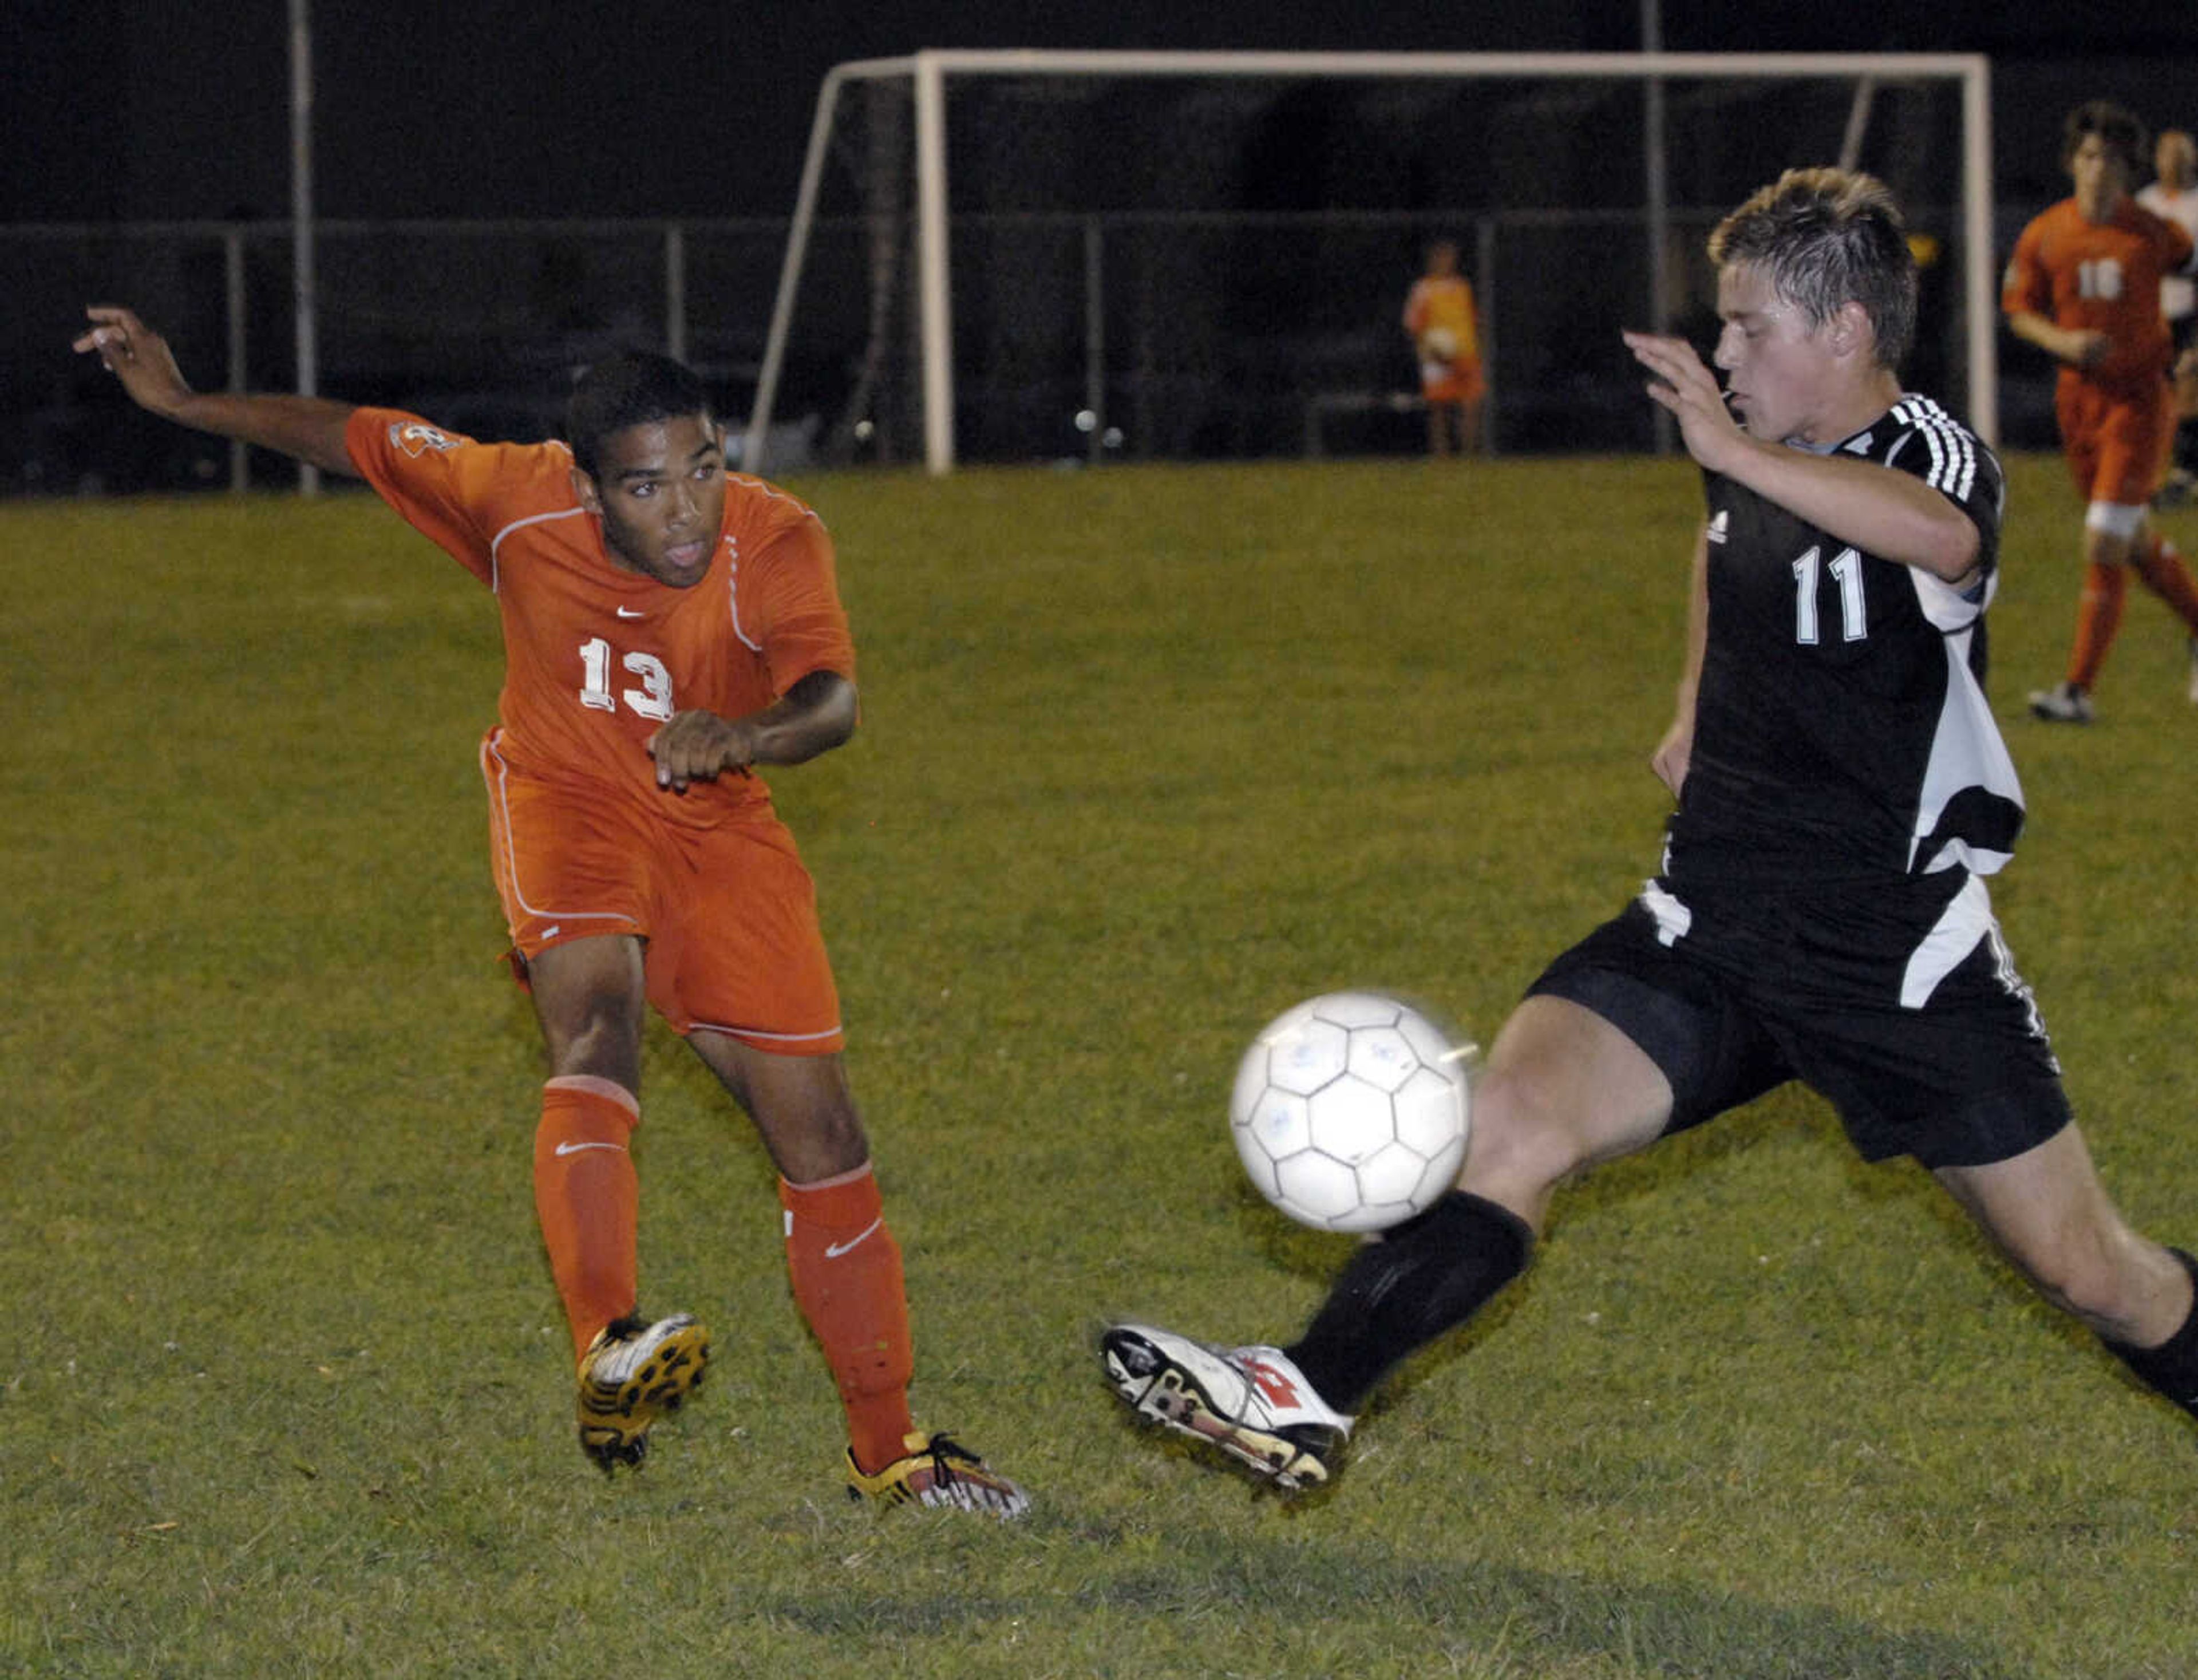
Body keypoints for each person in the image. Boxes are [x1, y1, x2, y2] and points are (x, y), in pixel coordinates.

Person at [1101, 168, 2198, 1496]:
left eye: (1747, 329)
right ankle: (1304, 1389)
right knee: (1504, 1122)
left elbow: (1943, 538)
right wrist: (1689, 690)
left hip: (1890, 954)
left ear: (1844, 333)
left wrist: (1737, 454)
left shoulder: (1926, 451)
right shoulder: (1742, 453)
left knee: (2092, 1273)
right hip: (1709, 922)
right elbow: (1722, 540)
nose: (1723, 354)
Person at [73, 305, 1028, 1516]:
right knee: (597, 1026)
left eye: (704, 468)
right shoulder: (510, 495)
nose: (685, 508)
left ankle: (889, 1450)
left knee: (824, 1137)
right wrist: (184, 404)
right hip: (567, 798)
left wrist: (743, 733)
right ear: (585, 491)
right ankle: (606, 1344)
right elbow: (352, 434)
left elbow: (832, 702)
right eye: (645, 486)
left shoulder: (777, 539)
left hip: (718, 825)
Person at [2003, 101, 2198, 723]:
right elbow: (2018, 310)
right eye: (2089, 157)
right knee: (2133, 540)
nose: (2099, 170)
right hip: (2079, 404)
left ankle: (2077, 692)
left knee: (2104, 538)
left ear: (2126, 169)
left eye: (2112, 160)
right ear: (2072, 163)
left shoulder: (2154, 231)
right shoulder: (2045, 233)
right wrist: (2062, 343)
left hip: (2140, 403)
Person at [2136, 127, 2198, 504]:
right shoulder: (2145, 204)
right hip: (2149, 315)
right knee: (2155, 396)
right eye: (2167, 153)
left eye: (2181, 154)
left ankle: (2185, 472)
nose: (2174, 162)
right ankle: (2156, 473)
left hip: (2188, 311)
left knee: (2188, 390)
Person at [1402, 239, 1488, 457]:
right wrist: (1424, 349)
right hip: (1436, 355)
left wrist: (1478, 346)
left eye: (1450, 257)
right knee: (1439, 410)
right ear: (1433, 260)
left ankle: (1468, 455)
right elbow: (1412, 324)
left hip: (1465, 353)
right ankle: (1442, 457)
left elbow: (1473, 320)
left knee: (1470, 405)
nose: (1446, 262)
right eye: (1442, 257)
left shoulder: (1462, 287)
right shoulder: (1423, 289)